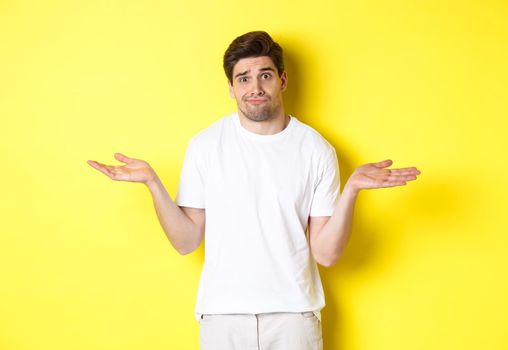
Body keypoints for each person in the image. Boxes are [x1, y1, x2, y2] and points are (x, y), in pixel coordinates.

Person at [87, 31, 420, 350]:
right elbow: (187, 241)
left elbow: (327, 253)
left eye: (265, 75)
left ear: (283, 80)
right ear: (231, 88)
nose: (255, 87)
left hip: (294, 318)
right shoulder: (205, 145)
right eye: (243, 78)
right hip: (222, 318)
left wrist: (352, 191)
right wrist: (152, 183)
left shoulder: (315, 149)